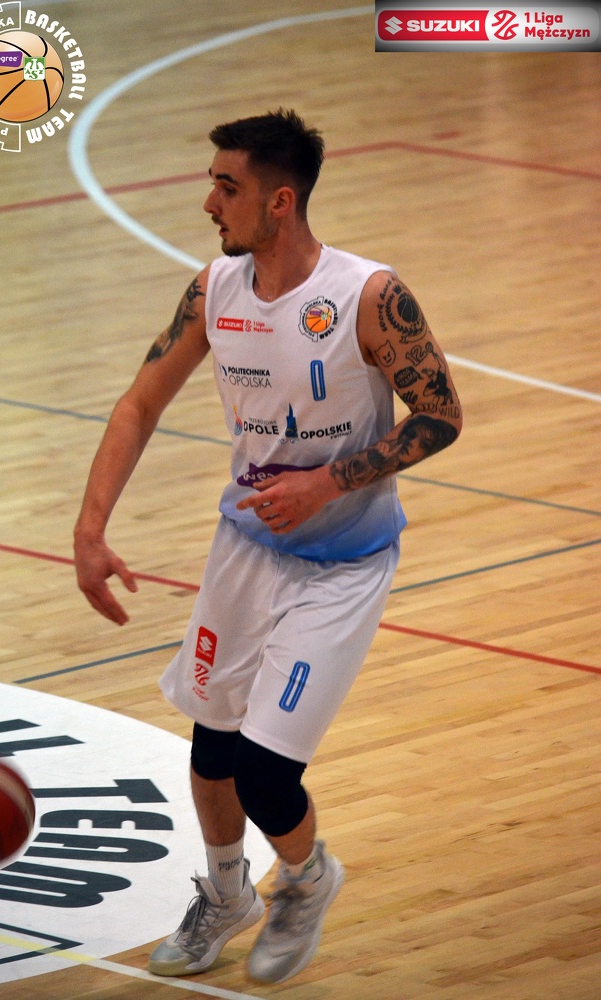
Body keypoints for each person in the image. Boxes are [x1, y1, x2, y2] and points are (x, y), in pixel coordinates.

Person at [74, 108, 462, 985]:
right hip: (244, 549)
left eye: (227, 186)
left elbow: (441, 414)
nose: (209, 202)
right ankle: (226, 895)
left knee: (263, 772)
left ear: (279, 202)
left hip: (344, 566)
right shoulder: (214, 290)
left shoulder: (368, 296)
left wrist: (330, 481)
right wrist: (90, 530)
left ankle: (306, 878)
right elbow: (138, 405)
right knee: (211, 748)